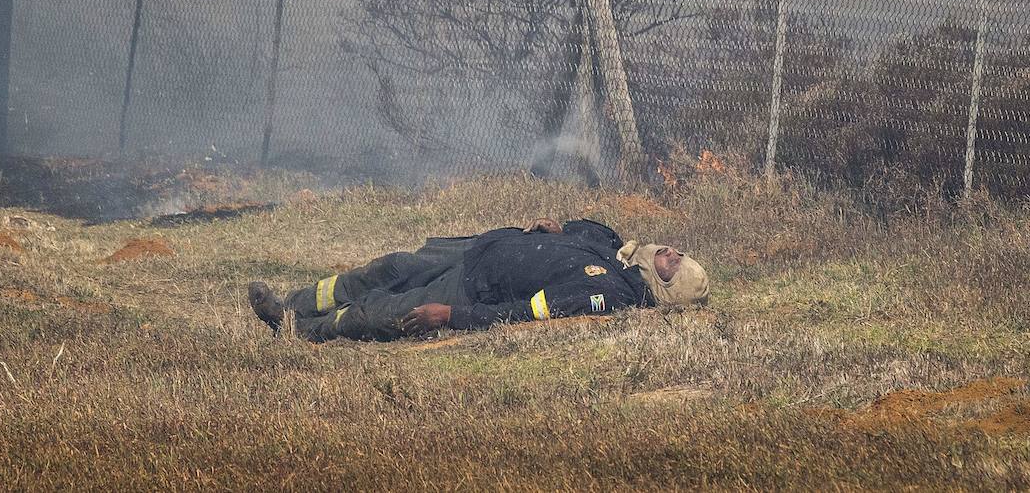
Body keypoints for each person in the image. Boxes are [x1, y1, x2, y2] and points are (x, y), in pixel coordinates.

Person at [247, 217, 709, 341]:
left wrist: (452, 316)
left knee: (379, 312)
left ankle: (296, 330)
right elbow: (589, 225)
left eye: (676, 265)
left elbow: (524, 315)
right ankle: (293, 302)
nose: (673, 252)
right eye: (677, 251)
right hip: (474, 250)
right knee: (387, 268)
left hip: (472, 290)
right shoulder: (616, 249)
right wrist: (561, 228)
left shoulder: (607, 294)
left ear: (663, 289)